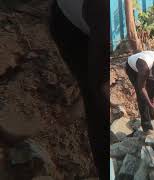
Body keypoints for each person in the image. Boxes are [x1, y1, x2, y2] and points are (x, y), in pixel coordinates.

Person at [48, 0, 108, 179]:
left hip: (95, 20)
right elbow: (104, 92)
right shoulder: (105, 13)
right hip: (71, 27)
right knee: (99, 112)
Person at [126, 51, 154, 134]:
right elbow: (142, 88)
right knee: (142, 97)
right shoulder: (144, 69)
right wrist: (149, 103)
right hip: (132, 70)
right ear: (152, 72)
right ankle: (147, 127)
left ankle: (153, 117)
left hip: (147, 66)